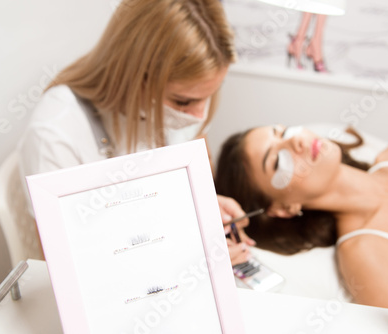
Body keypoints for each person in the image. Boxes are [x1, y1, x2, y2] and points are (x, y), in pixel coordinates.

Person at [17, 0, 252, 264]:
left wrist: (204, 205)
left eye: (209, 95)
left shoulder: (190, 100)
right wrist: (192, 261)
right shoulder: (56, 135)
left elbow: (188, 178)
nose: (198, 116)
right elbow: (68, 268)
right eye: (182, 102)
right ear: (133, 75)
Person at [215, 124, 388, 309]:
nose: (296, 140)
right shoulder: (365, 254)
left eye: (284, 132)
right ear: (283, 208)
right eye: (277, 161)